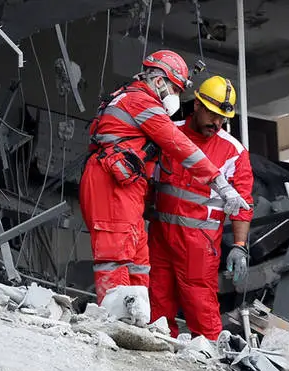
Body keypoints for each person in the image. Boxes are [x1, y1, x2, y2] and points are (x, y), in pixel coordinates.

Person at [79, 50, 249, 325]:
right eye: (174, 88)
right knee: (116, 257)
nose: (175, 96)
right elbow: (177, 145)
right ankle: (117, 324)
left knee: (137, 260)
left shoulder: (133, 100)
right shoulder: (141, 103)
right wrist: (219, 183)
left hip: (127, 188)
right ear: (159, 81)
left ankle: (138, 326)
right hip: (112, 186)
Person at [147, 74, 254, 340]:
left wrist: (240, 247)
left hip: (199, 244)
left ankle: (209, 361)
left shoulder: (234, 152)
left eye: (222, 118)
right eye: (212, 114)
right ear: (197, 105)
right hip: (160, 235)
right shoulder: (168, 133)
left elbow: (242, 204)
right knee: (156, 303)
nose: (217, 123)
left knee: (201, 307)